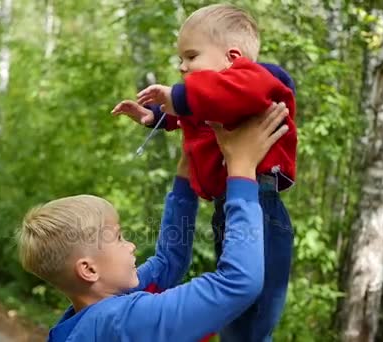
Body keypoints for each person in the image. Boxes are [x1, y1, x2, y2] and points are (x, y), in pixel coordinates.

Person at [16, 105, 289, 341]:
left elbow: (168, 262)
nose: (132, 246)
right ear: (88, 269)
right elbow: (239, 282)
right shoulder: (123, 322)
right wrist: (242, 169)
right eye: (119, 238)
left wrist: (185, 174)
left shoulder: (86, 316)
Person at [111, 4, 297, 341]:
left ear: (232, 57)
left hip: (262, 207)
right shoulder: (217, 102)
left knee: (250, 319)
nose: (182, 67)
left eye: (191, 56)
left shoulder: (260, 79)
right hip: (230, 209)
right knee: (233, 318)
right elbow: (197, 116)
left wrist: (178, 98)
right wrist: (157, 117)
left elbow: (218, 97)